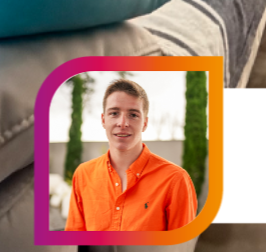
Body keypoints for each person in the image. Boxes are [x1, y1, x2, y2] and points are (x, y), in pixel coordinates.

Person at [65, 79, 199, 232]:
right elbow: (73, 242)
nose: (123, 123)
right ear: (103, 120)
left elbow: (182, 246)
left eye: (133, 115)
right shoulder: (83, 174)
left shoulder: (175, 180)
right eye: (114, 113)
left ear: (145, 123)